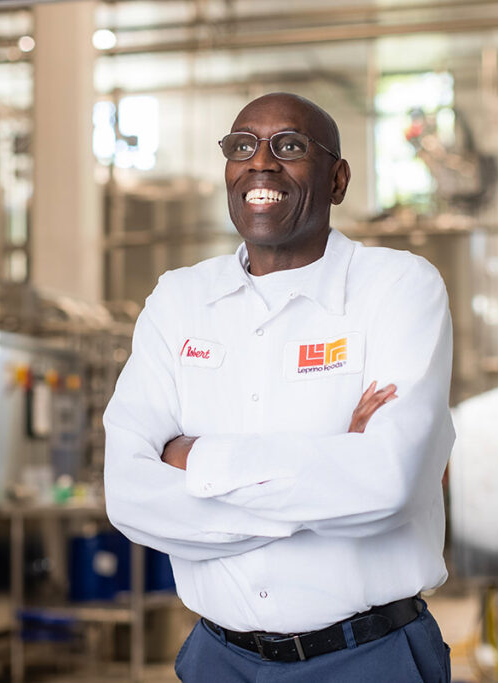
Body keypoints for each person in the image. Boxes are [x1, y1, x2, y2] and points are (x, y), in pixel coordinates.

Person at [103, 92, 455, 681]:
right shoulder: (179, 298)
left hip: (368, 657)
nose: (261, 163)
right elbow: (129, 494)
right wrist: (330, 471)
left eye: (290, 147)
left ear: (337, 180)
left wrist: (196, 460)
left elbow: (388, 484)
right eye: (242, 146)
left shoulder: (398, 287)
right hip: (219, 659)